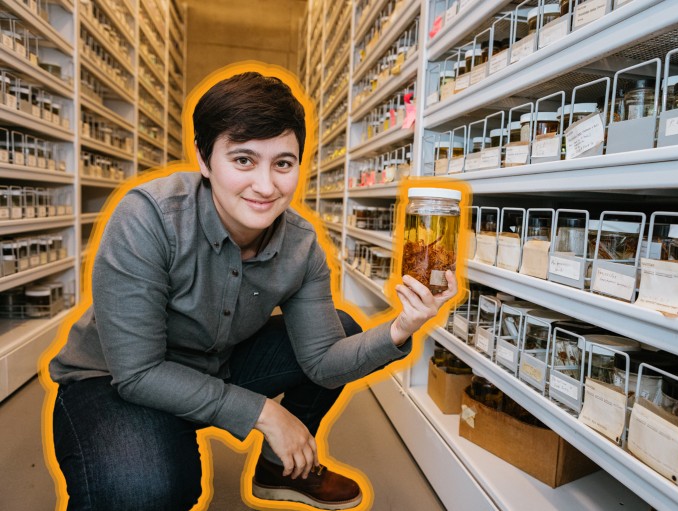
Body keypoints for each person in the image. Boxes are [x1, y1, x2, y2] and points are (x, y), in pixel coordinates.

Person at [46, 70, 458, 511]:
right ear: (205, 161)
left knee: (341, 326)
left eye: (283, 163)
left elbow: (321, 363)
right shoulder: (148, 219)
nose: (266, 186)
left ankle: (279, 468)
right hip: (114, 379)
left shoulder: (300, 245)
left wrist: (402, 326)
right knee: (148, 491)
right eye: (243, 160)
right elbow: (139, 372)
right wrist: (265, 412)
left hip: (214, 363)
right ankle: (160, 443)